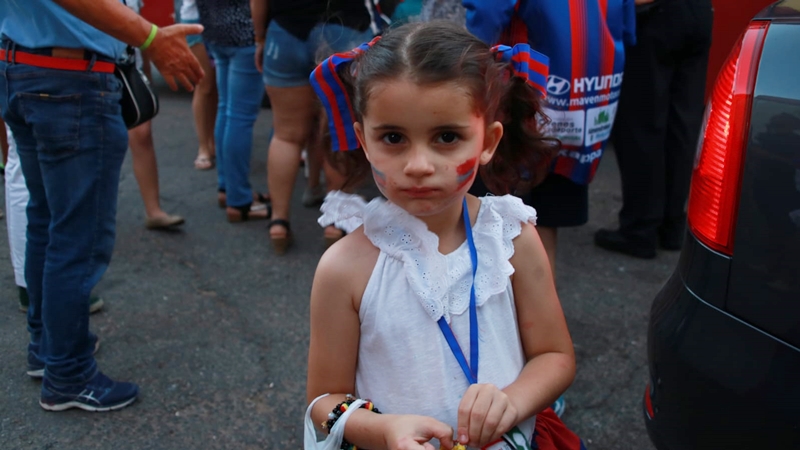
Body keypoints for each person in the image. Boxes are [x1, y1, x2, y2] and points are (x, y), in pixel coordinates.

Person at [306, 22, 587, 450]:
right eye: (394, 137)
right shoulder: (344, 268)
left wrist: (511, 402)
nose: (418, 164)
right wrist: (382, 430)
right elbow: (324, 401)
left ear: (489, 141)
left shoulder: (512, 239)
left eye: (447, 137)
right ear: (363, 140)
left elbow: (555, 356)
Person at [0, 0, 203, 411]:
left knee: (48, 220)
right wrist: (149, 37)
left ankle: (49, 348)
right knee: (76, 235)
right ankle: (67, 372)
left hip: (28, 67)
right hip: (68, 81)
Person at [463, 0, 636, 278]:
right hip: (587, 92)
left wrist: (460, 60)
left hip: (522, 89)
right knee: (542, 218)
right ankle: (542, 310)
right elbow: (627, 27)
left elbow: (486, 14)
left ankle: (501, 315)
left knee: (491, 217)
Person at [250, 0, 379, 254]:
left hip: (286, 32)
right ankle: (335, 221)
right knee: (340, 129)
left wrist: (259, 37)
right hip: (346, 27)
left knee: (286, 135)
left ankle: (279, 220)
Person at [594, 0, 713, 258]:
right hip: (699, 12)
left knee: (641, 126)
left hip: (656, 17)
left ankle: (641, 228)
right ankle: (672, 224)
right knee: (682, 124)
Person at [196, 0, 270, 222]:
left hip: (215, 32)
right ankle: (239, 199)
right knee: (239, 117)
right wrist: (260, 38)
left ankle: (227, 188)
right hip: (244, 35)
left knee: (227, 110)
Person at [125, 0, 185, 230]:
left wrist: (146, 78)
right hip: (93, 65)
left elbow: (140, 25)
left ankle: (154, 210)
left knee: (142, 132)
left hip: (128, 63)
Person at [180, 0, 218, 171]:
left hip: (221, 21)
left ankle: (213, 141)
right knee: (205, 84)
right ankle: (204, 146)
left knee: (217, 85)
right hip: (196, 20)